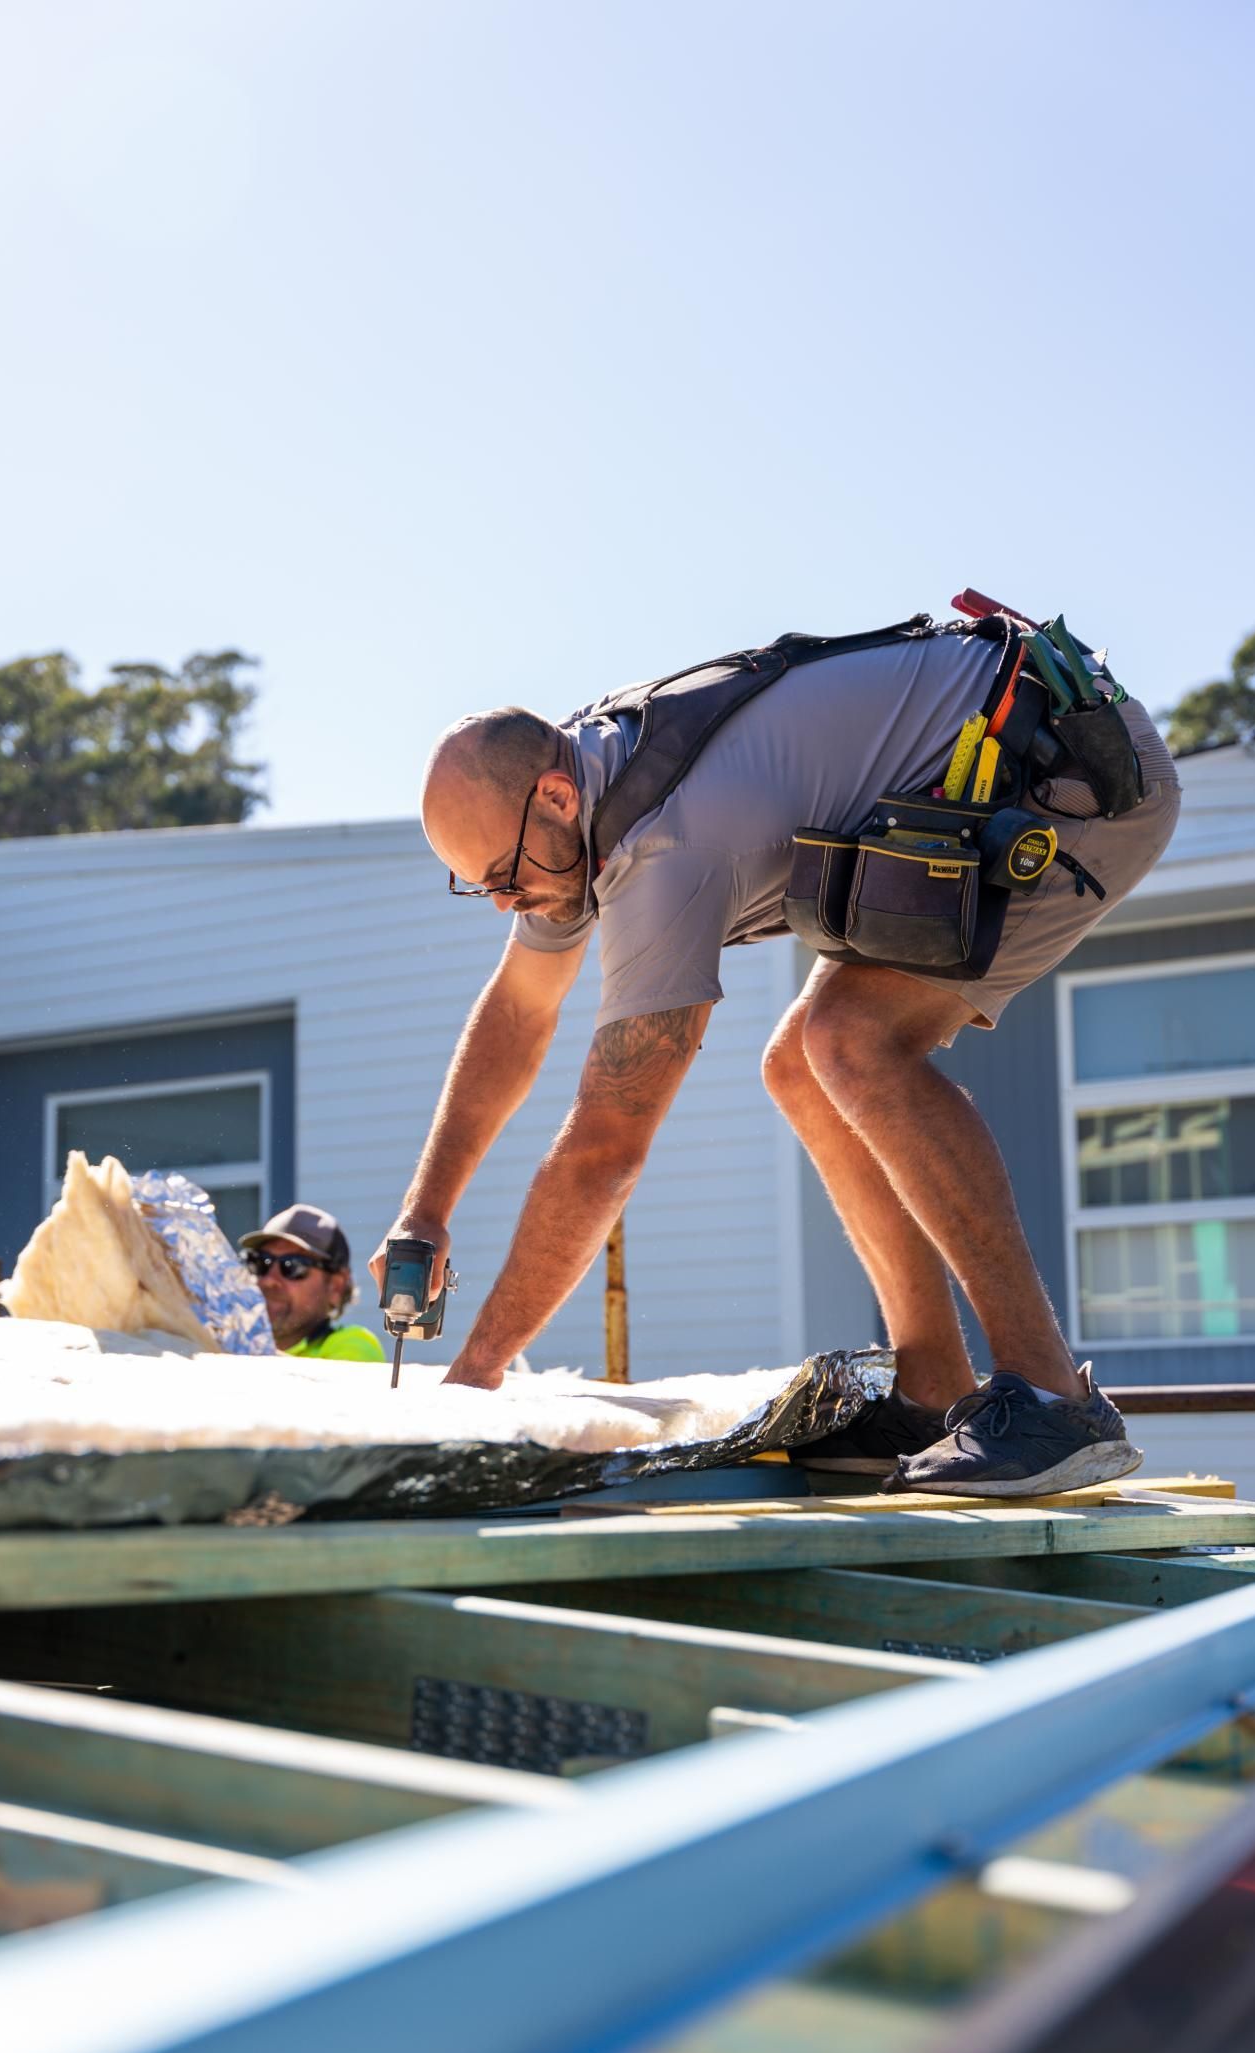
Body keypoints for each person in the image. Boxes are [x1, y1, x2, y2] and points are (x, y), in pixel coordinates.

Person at [372, 611, 1181, 1498]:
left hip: (1073, 776)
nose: (503, 903)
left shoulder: (664, 845)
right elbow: (519, 1013)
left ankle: (1050, 1403)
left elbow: (606, 1148)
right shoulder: (577, 800)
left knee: (852, 1041)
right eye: (478, 885)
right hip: (976, 763)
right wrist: (427, 1210)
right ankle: (927, 1392)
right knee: (798, 1063)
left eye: (502, 875)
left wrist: (472, 1389)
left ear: (557, 798)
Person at [240, 1203, 385, 1362]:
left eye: (293, 1266)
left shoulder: (354, 1345)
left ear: (335, 1287)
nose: (269, 1281)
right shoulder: (239, 1343)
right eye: (261, 1263)